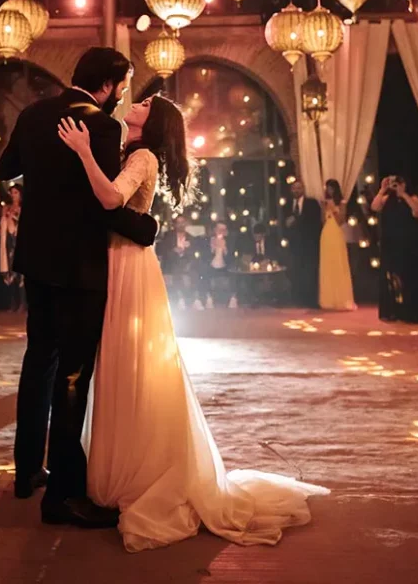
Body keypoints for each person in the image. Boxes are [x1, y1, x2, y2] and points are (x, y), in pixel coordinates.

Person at [58, 95, 327, 553]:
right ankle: (122, 466)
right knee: (119, 365)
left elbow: (110, 198)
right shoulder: (130, 152)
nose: (137, 102)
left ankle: (138, 471)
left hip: (129, 265)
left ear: (154, 122)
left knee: (130, 364)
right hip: (120, 261)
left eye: (145, 103)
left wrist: (83, 152)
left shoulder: (143, 156)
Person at [0, 46, 158, 528]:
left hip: (36, 260)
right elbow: (100, 202)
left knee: (38, 362)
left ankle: (27, 471)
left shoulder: (33, 113)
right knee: (72, 377)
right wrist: (144, 228)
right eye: (122, 86)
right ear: (106, 85)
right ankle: (62, 496)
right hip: (79, 267)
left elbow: (5, 169)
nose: (122, 95)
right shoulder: (103, 127)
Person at [371, 175, 418, 324]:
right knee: (392, 278)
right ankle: (393, 310)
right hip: (390, 243)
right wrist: (382, 189)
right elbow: (374, 207)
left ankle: (410, 311)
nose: (395, 186)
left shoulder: (412, 198)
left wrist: (403, 194)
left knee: (408, 277)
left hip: (408, 244)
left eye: (398, 183)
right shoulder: (387, 199)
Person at [318, 179, 355, 312]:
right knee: (327, 263)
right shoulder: (324, 202)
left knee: (338, 261)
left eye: (331, 188)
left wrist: (333, 208)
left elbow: (341, 221)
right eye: (327, 188)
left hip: (336, 233)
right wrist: (324, 208)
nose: (329, 191)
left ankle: (341, 298)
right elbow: (323, 221)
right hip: (326, 233)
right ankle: (327, 299)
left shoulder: (342, 202)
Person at [284, 179, 322, 309]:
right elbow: (283, 223)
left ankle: (311, 300)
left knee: (310, 273)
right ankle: (297, 300)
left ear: (303, 189)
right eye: (294, 188)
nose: (296, 190)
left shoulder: (312, 203)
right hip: (294, 245)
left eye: (299, 188)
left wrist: (297, 220)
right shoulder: (287, 205)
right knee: (296, 272)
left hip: (309, 244)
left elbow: (316, 223)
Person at [158, 214, 197, 310]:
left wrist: (185, 252)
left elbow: (193, 253)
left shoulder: (191, 237)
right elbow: (162, 251)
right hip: (171, 263)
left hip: (186, 263)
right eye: (178, 222)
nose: (180, 225)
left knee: (192, 269)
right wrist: (174, 250)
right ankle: (181, 298)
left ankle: (189, 299)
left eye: (182, 222)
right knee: (176, 269)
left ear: (185, 223)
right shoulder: (168, 236)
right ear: (175, 224)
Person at [1, 183, 24, 312]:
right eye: (12, 193)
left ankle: (22, 303)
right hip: (9, 241)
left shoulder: (23, 208)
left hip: (19, 241)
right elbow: (2, 223)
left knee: (21, 273)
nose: (13, 195)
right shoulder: (7, 207)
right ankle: (13, 302)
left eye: (16, 193)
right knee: (10, 272)